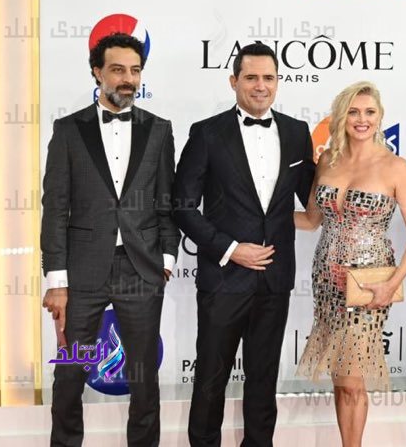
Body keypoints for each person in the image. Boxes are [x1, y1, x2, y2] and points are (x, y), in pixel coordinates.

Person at [172, 42, 315, 447]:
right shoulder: (207, 133)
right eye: (251, 77)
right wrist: (231, 248)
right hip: (224, 278)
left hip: (274, 279)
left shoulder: (296, 132)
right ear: (233, 81)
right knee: (210, 379)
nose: (260, 86)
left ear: (278, 82)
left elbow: (313, 199)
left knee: (264, 380)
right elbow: (182, 206)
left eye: (268, 78)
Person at [41, 33, 180, 446]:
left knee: (144, 376)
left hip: (141, 269)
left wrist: (166, 260)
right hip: (82, 272)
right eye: (118, 69)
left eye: (135, 70)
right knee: (70, 373)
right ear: (97, 72)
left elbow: (167, 202)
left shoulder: (159, 130)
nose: (127, 79)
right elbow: (55, 207)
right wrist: (57, 282)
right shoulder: (68, 130)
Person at [294, 81, 406, 447]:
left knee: (353, 382)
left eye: (369, 112)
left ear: (380, 117)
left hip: (369, 286)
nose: (362, 119)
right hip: (327, 281)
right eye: (353, 112)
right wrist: (257, 218)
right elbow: (311, 220)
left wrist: (392, 284)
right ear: (341, 117)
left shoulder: (395, 166)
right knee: (341, 379)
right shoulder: (328, 160)